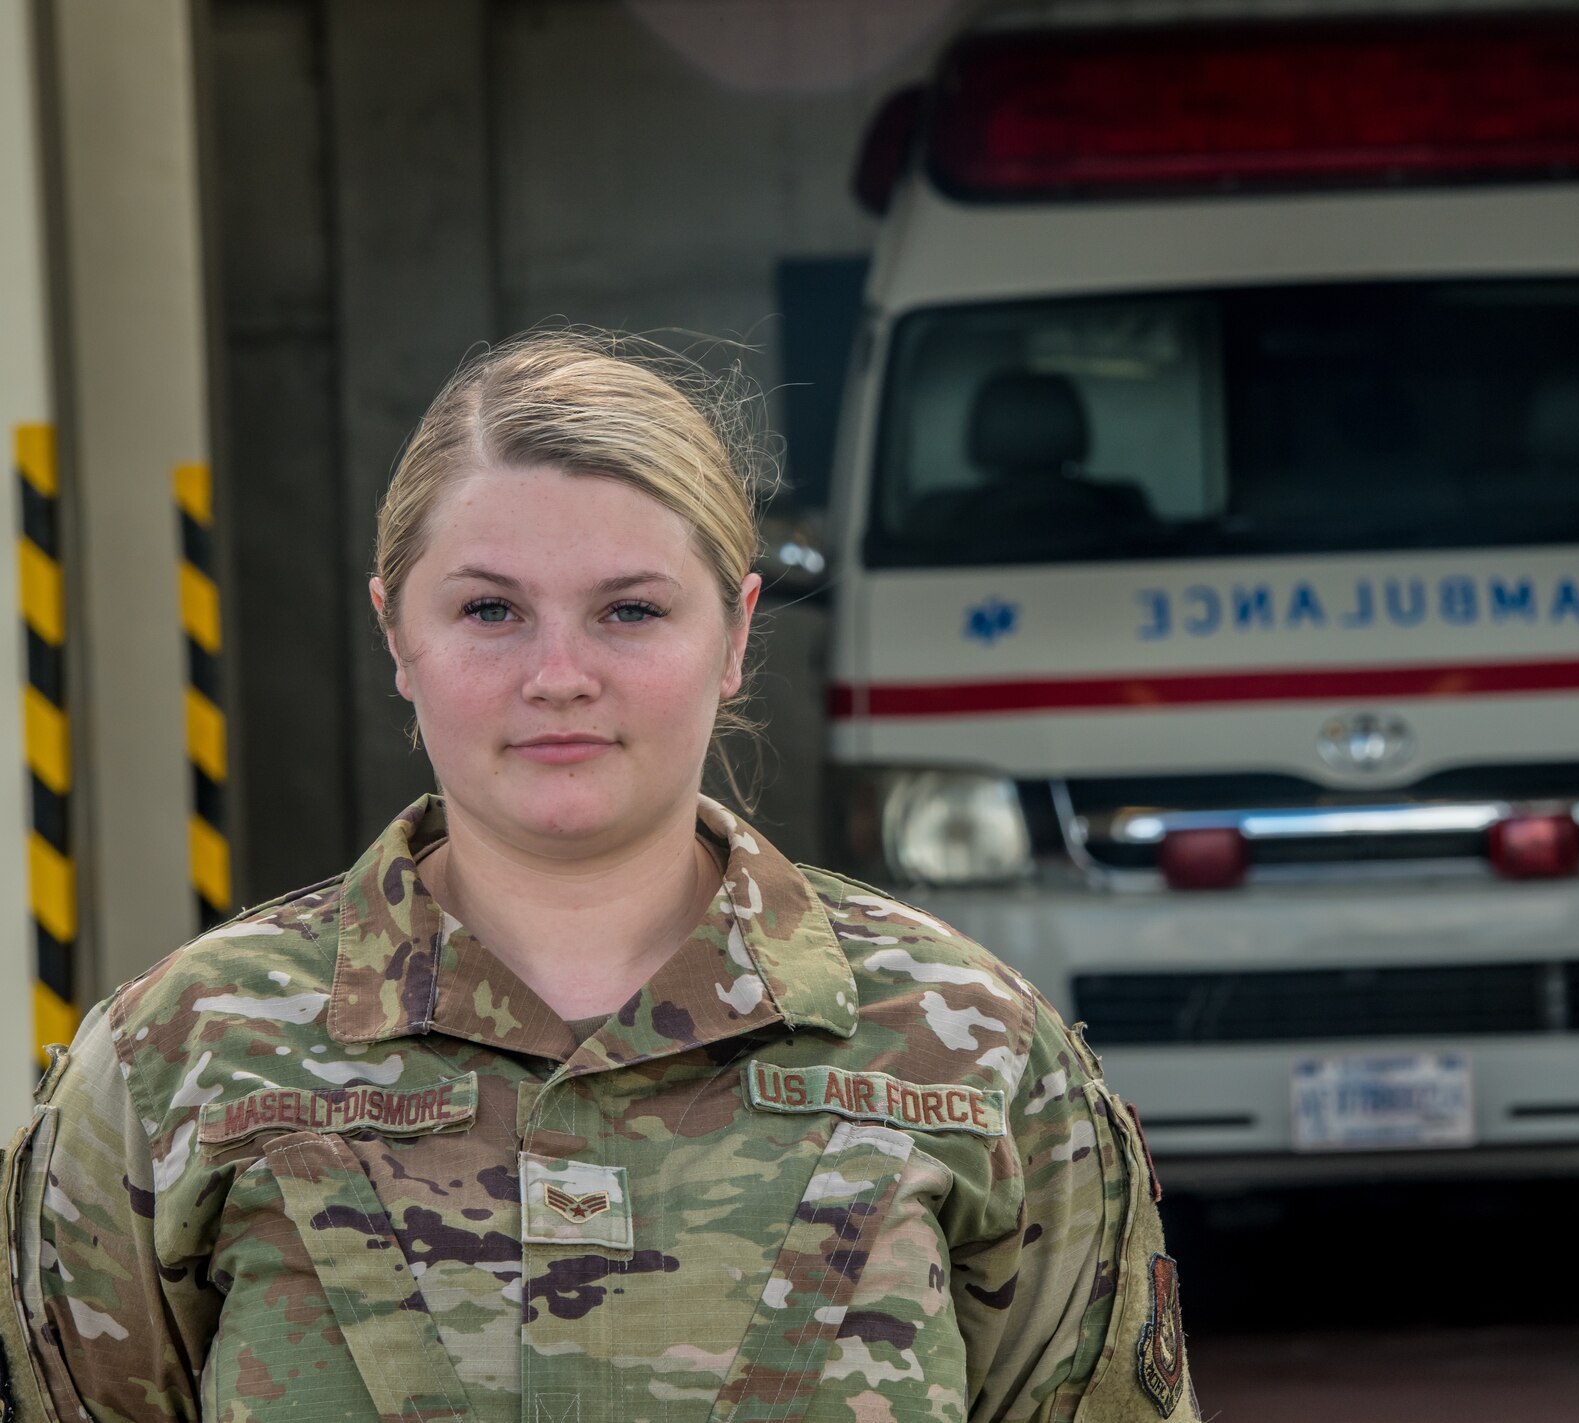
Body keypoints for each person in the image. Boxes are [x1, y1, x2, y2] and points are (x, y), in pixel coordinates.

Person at [0, 333, 1196, 1423]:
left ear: (732, 637)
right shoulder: (181, 1060)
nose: (559, 673)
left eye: (628, 609)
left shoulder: (969, 1051)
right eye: (488, 609)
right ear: (394, 635)